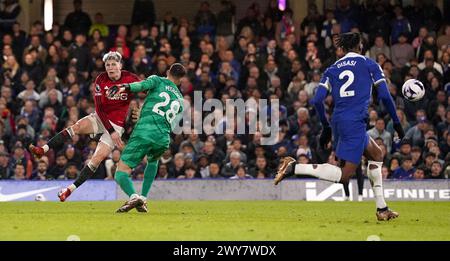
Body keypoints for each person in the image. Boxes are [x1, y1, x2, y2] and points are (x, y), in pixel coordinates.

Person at [274, 32, 405, 221]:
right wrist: (398, 123)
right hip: (355, 121)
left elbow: (318, 100)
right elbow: (385, 96)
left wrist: (326, 127)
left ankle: (382, 208)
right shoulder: (370, 64)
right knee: (344, 176)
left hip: (339, 120)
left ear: (343, 49)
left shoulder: (332, 69)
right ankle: (295, 167)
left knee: (376, 154)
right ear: (360, 46)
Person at [28, 51, 141, 201]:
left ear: (120, 65)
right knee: (76, 127)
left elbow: (146, 90)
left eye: (114, 64)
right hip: (101, 118)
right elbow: (99, 109)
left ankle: (68, 190)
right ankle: (42, 150)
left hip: (117, 125)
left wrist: (140, 109)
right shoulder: (101, 79)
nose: (110, 67)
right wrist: (111, 131)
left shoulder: (131, 78)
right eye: (108, 65)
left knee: (96, 159)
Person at [106, 63, 186, 213]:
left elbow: (141, 85)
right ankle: (143, 198)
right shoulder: (181, 100)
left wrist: (124, 86)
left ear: (168, 72)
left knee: (121, 171)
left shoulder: (157, 80)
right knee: (153, 160)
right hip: (163, 138)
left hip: (144, 132)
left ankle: (134, 196)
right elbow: (173, 124)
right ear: (181, 79)